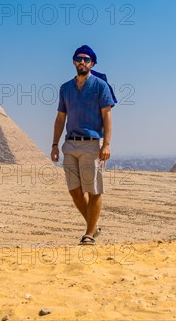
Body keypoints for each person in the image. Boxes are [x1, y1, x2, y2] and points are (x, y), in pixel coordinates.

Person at [51, 44, 116, 245]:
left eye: (87, 59)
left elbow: (107, 116)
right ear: (73, 61)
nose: (82, 62)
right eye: (79, 58)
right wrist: (54, 144)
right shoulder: (65, 88)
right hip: (70, 144)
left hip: (91, 143)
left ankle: (88, 234)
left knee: (94, 189)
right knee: (74, 190)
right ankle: (93, 226)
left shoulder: (100, 86)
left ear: (92, 63)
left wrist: (106, 144)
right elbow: (60, 118)